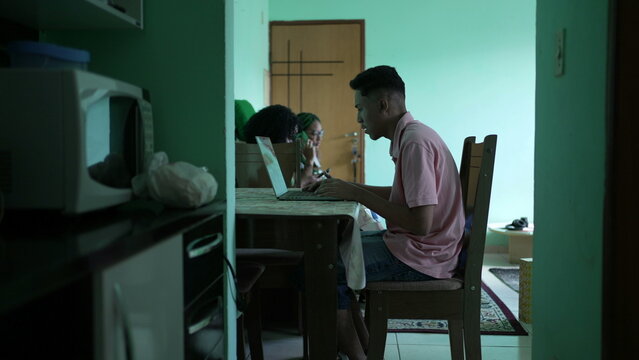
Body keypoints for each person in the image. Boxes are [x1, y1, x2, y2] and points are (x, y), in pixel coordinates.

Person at [305, 65, 465, 359]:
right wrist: (348, 186)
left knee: (325, 266)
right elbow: (402, 199)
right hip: (423, 248)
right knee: (334, 249)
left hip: (424, 256)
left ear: (382, 104)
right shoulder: (412, 136)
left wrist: (355, 193)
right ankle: (363, 346)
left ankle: (355, 355)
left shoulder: (415, 142)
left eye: (360, 109)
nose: (358, 119)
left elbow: (420, 223)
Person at [297, 112, 326, 187]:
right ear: (300, 134)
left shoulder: (314, 152)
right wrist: (309, 161)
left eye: (321, 133)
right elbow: (299, 187)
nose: (319, 138)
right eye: (314, 133)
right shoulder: (295, 157)